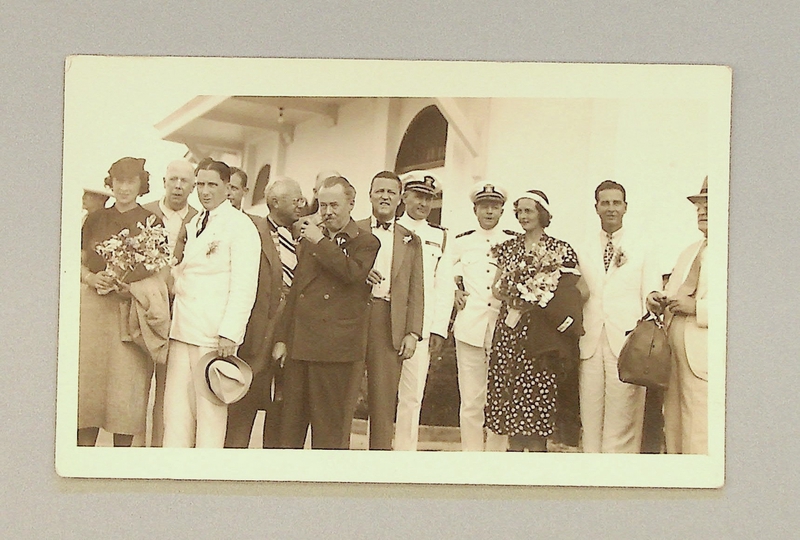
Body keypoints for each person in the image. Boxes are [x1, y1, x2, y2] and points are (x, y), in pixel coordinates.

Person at [272, 176, 379, 449]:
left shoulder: (365, 242)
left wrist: (320, 241)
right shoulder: (312, 240)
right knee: (289, 432)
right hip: (301, 347)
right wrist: (283, 339)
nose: (327, 212)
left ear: (351, 204)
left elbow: (351, 274)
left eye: (334, 205)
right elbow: (297, 291)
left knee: (329, 434)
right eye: (322, 205)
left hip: (335, 353)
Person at [162, 159, 261, 448]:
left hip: (213, 333)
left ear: (227, 188)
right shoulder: (194, 223)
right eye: (201, 184)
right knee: (176, 410)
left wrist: (230, 332)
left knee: (210, 415)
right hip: (183, 328)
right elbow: (187, 272)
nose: (204, 192)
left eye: (212, 185)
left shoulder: (240, 226)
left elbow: (245, 285)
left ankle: (206, 475)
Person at [78, 157, 168, 447]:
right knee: (87, 400)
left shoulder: (153, 221)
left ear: (141, 184)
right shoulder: (94, 219)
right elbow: (75, 263)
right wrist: (92, 279)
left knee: (125, 398)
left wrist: (131, 287)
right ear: (111, 183)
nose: (124, 188)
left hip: (131, 315)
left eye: (131, 181)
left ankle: (119, 464)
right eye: (119, 181)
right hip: (94, 314)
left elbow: (161, 274)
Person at [485, 190, 583, 452]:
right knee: (511, 395)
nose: (523, 216)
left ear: (542, 213)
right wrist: (512, 293)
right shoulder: (508, 248)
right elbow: (495, 287)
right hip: (511, 331)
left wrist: (543, 297)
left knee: (539, 396)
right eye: (519, 211)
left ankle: (538, 457)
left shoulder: (560, 249)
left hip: (542, 333)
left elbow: (578, 289)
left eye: (529, 210)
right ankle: (514, 456)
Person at [576, 180, 662, 453]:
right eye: (605, 203)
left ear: (625, 207)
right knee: (590, 416)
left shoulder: (643, 246)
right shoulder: (583, 247)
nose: (611, 208)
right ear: (596, 207)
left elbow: (651, 289)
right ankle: (591, 478)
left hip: (626, 343)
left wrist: (653, 299)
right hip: (590, 340)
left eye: (616, 203)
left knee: (623, 418)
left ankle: (618, 480)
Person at [225, 177, 305, 449]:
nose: (301, 204)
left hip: (294, 334)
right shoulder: (251, 229)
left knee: (281, 410)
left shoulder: (306, 235)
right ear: (274, 203)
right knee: (243, 406)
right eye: (295, 200)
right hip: (258, 332)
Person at [354, 171, 424, 450]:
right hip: (354, 318)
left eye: (391, 192)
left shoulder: (411, 240)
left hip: (389, 322)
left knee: (383, 400)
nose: (384, 197)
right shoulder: (353, 229)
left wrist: (413, 331)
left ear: (400, 199)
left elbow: (416, 289)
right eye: (379, 191)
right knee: (346, 394)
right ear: (370, 195)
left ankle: (379, 463)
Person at [443, 181, 516, 451]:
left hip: (503, 326)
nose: (489, 211)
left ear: (502, 210)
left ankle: (495, 456)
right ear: (475, 209)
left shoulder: (512, 240)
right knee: (471, 399)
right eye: (484, 206)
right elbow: (442, 272)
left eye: (494, 206)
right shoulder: (461, 242)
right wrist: (453, 291)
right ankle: (471, 456)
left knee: (500, 397)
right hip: (470, 326)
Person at [647, 177, 709, 454]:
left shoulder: (738, 252)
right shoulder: (689, 251)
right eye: (699, 204)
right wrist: (657, 300)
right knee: (673, 423)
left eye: (709, 204)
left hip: (705, 353)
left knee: (699, 423)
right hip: (673, 351)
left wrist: (697, 308)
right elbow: (673, 291)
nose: (701, 210)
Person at [394, 172, 454, 451]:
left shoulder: (440, 237)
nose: (423, 203)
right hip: (388, 321)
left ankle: (405, 452)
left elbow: (444, 287)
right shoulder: (389, 229)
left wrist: (438, 329)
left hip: (421, 326)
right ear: (404, 196)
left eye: (429, 198)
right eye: (418, 195)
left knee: (412, 394)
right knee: (380, 392)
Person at [142, 158, 198, 447]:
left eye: (184, 181)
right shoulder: (145, 213)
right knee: (138, 385)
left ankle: (160, 452)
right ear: (165, 182)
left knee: (169, 389)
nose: (178, 186)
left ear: (193, 186)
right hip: (143, 311)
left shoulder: (200, 220)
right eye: (173, 179)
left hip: (180, 313)